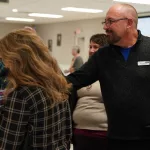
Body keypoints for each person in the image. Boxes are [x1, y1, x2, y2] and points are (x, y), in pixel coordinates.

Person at [67, 3, 150, 150]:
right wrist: (42, 78)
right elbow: (73, 81)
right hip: (116, 138)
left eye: (110, 21)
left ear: (129, 23)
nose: (105, 27)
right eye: (105, 22)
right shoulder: (103, 56)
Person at [0, 29, 72, 149]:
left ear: (17, 59)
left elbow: (7, 144)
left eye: (5, 59)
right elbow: (67, 133)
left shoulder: (22, 95)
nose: (5, 65)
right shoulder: (58, 84)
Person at [72, 34, 108, 150]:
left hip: (103, 134)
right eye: (90, 47)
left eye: (95, 47)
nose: (91, 50)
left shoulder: (111, 73)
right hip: (80, 132)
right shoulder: (83, 73)